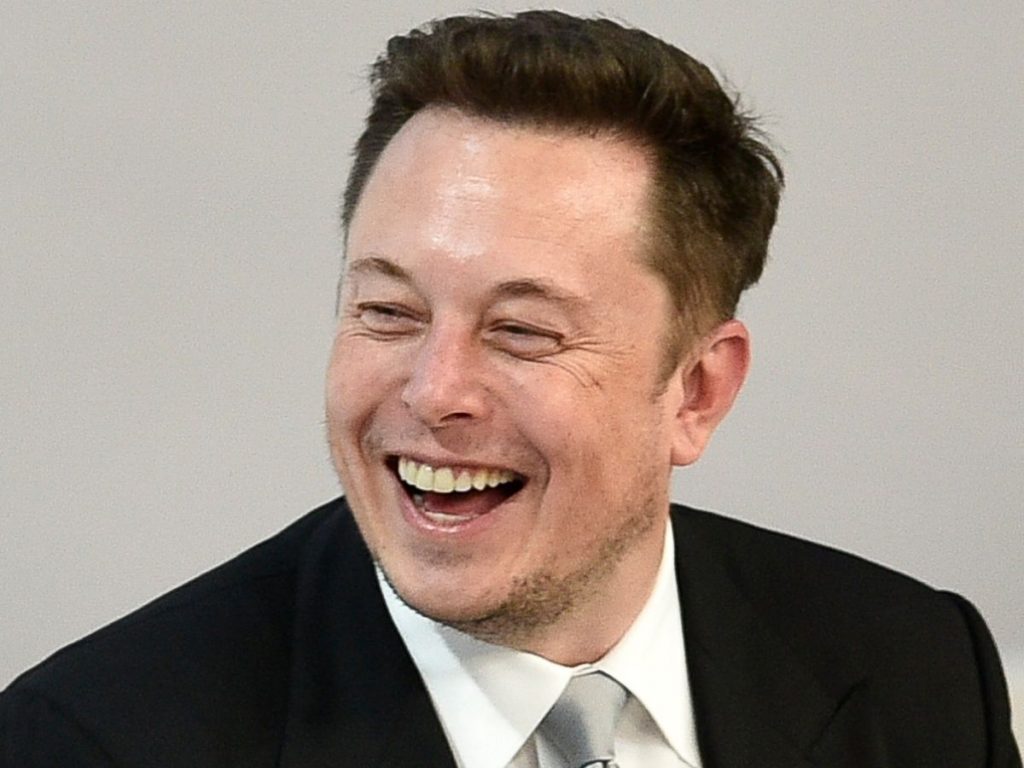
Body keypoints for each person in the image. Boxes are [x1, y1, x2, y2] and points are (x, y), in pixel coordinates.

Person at [1, 10, 1018, 768]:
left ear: (697, 391)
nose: (434, 391)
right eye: (388, 312)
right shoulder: (95, 742)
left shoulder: (919, 671)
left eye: (523, 331)